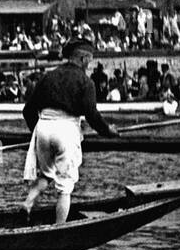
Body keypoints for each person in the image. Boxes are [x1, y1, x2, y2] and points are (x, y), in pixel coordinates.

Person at [21, 39, 120, 224]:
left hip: (43, 127)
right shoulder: (86, 82)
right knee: (65, 187)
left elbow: (27, 110)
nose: (89, 65)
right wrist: (108, 131)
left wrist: (37, 133)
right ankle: (60, 228)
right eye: (89, 60)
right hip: (66, 130)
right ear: (83, 59)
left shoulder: (47, 77)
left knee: (47, 173)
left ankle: (28, 202)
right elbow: (91, 114)